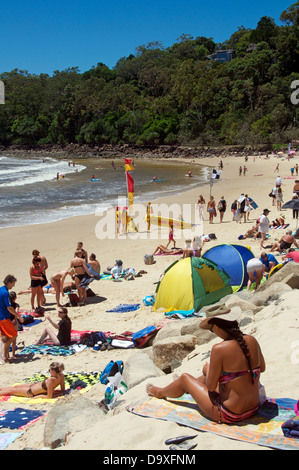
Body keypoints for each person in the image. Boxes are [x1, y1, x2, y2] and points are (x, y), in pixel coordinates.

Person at [146, 306, 265, 424]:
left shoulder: (219, 349)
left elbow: (211, 387)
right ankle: (183, 387)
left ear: (217, 327)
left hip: (229, 414)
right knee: (205, 378)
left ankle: (159, 392)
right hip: (253, 407)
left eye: (211, 329)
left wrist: (208, 371)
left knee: (185, 378)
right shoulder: (251, 340)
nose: (213, 332)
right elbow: (262, 368)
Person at [0, 362, 66, 399]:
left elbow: (49, 397)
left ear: (53, 371)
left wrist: (40, 396)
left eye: (50, 370)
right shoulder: (61, 375)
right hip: (33, 386)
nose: (49, 371)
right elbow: (62, 389)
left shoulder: (50, 380)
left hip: (30, 392)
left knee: (11, 390)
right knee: (15, 387)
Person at [0, 276, 23, 364]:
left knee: (5, 337)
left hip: (1, 317)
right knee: (13, 335)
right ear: (9, 283)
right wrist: (18, 316)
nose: (13, 285)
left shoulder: (0, 289)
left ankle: (5, 356)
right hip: (4, 318)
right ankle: (5, 356)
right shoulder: (5, 293)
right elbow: (9, 307)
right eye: (13, 283)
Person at [9, 291, 22, 360]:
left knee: (7, 338)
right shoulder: (16, 305)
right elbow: (16, 312)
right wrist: (16, 318)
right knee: (14, 338)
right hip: (13, 322)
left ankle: (7, 354)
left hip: (6, 321)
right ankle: (13, 354)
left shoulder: (6, 305)